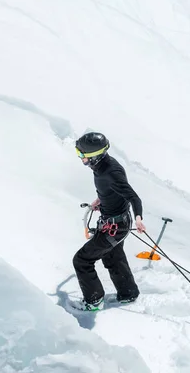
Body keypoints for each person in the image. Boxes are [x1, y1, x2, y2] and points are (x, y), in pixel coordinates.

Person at [71, 132, 145, 311]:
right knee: (113, 255)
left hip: (116, 226)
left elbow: (134, 198)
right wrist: (101, 201)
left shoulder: (111, 172)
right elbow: (110, 190)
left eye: (82, 155)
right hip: (115, 221)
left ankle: (94, 300)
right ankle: (128, 293)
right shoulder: (101, 167)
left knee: (82, 260)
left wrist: (139, 218)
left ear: (94, 156)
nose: (80, 158)